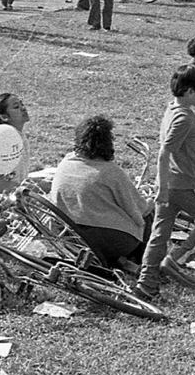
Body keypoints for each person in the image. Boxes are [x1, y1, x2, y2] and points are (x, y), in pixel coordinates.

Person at [134, 65, 195, 300]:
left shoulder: (173, 109)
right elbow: (164, 153)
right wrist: (162, 188)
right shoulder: (183, 118)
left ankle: (146, 284)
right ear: (190, 91)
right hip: (181, 185)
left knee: (159, 235)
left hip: (175, 181)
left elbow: (184, 152)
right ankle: (175, 260)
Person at [48, 115, 153, 269]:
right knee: (149, 214)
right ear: (108, 142)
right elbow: (139, 210)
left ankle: (115, 260)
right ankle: (144, 260)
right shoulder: (110, 172)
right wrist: (151, 201)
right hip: (111, 241)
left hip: (71, 238)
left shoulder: (65, 164)